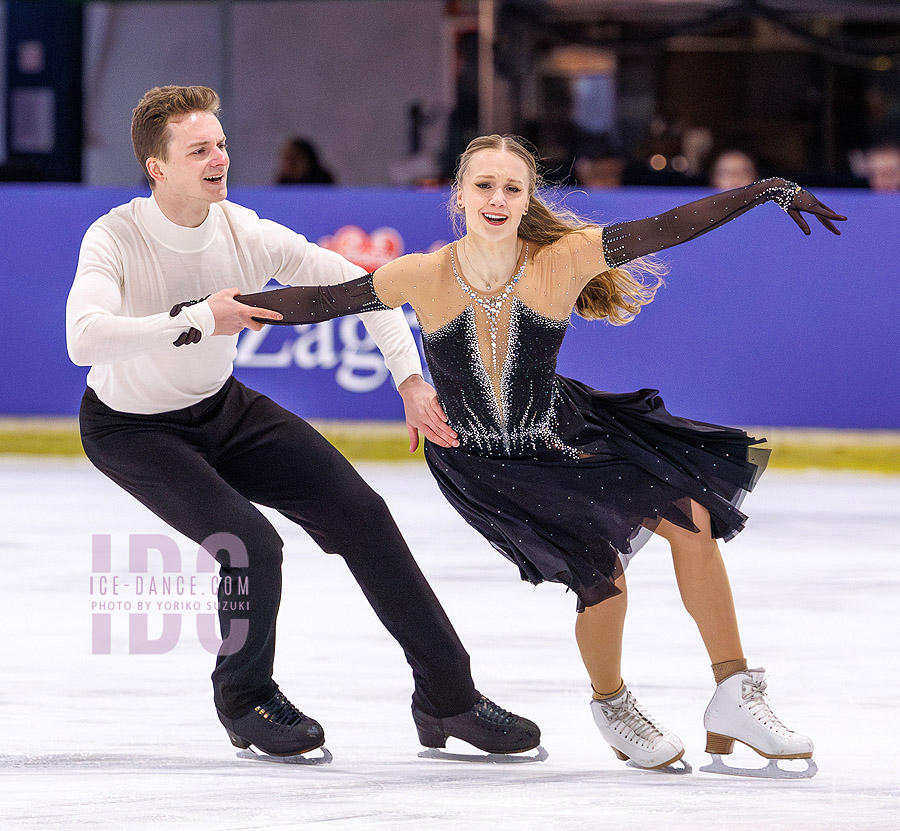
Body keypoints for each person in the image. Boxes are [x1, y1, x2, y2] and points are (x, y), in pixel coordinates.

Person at [225, 134, 846, 777]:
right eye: (485, 186)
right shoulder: (424, 274)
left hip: (567, 431)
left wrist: (764, 191)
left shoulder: (565, 259)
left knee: (693, 518)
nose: (497, 199)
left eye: (512, 189)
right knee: (601, 571)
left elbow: (666, 227)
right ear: (459, 196)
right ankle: (614, 705)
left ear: (527, 202)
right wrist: (215, 312)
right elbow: (322, 302)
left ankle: (733, 694)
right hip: (483, 462)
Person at [66, 87, 540, 761]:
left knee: (363, 513)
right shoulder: (115, 236)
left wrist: (409, 378)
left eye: (222, 143)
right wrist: (203, 316)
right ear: (157, 167)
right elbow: (84, 339)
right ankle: (244, 699)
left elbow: (369, 288)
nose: (219, 157)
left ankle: (448, 697)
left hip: (221, 407)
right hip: (130, 427)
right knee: (250, 543)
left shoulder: (244, 233)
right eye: (199, 149)